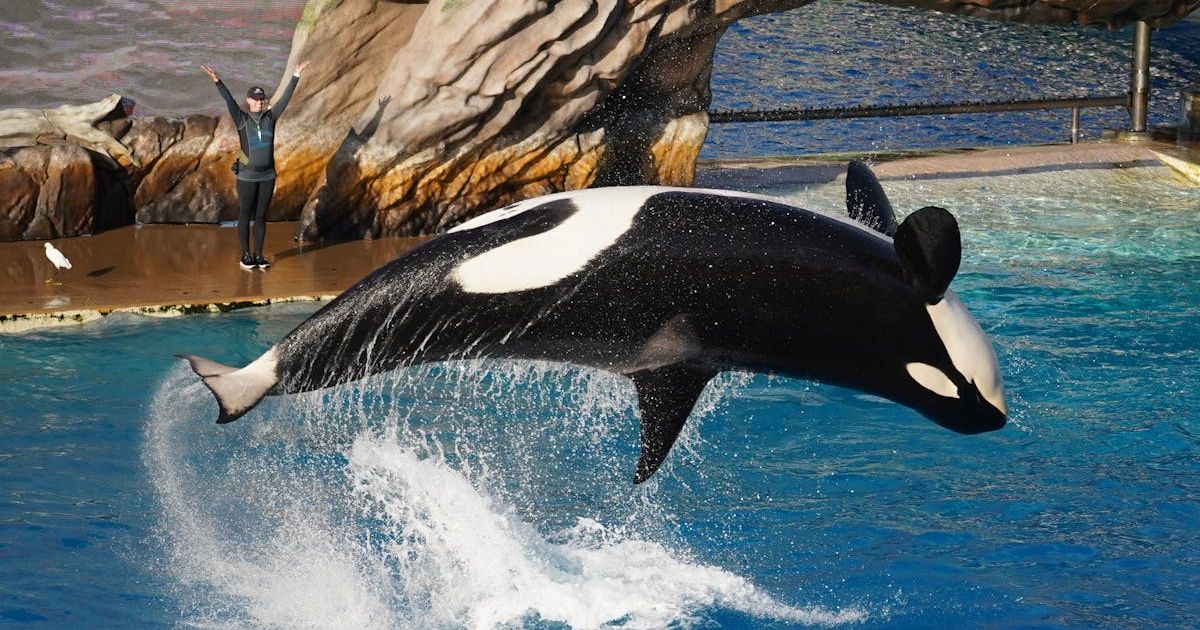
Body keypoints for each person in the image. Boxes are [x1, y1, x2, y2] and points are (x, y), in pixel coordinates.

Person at [200, 59, 310, 270]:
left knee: (261, 216)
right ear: (249, 101)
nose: (260, 103)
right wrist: (217, 81)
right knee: (245, 214)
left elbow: (285, 99)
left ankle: (259, 255)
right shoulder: (241, 119)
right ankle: (245, 256)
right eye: (256, 99)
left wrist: (296, 75)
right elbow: (229, 101)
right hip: (247, 176)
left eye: (262, 100)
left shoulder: (271, 117)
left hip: (268, 175)